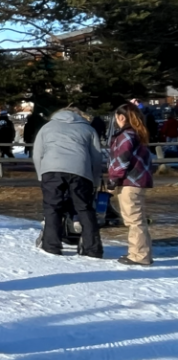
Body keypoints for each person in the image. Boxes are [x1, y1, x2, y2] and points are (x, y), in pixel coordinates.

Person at [32, 108, 105, 258]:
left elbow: (37, 154)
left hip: (51, 169)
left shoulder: (47, 128)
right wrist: (95, 179)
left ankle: (51, 245)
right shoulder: (87, 129)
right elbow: (97, 157)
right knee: (84, 208)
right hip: (80, 170)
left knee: (52, 208)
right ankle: (92, 248)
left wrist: (41, 175)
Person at [109, 104, 156, 266]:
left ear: (121, 117)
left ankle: (140, 256)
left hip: (130, 182)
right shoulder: (138, 134)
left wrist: (113, 179)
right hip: (138, 181)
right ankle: (139, 252)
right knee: (137, 219)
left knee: (134, 220)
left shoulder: (127, 135)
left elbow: (121, 160)